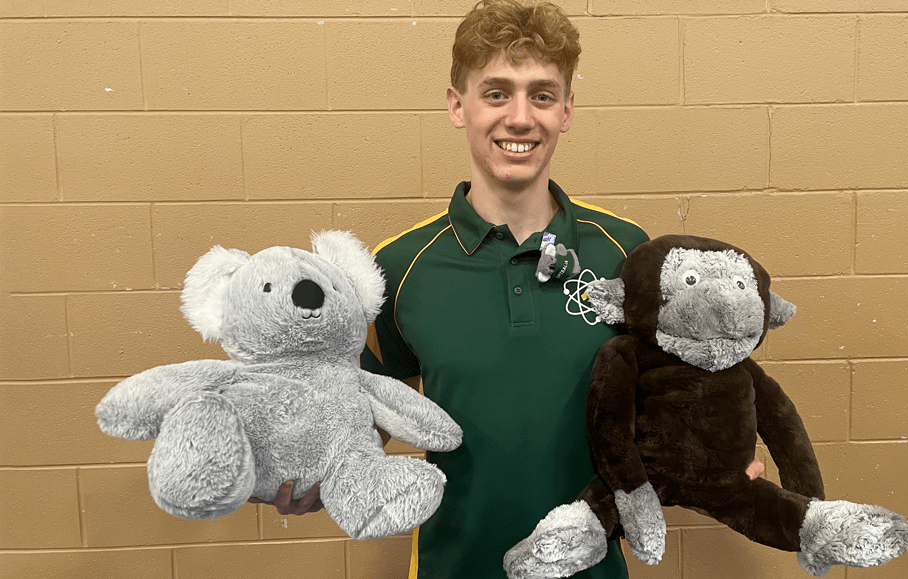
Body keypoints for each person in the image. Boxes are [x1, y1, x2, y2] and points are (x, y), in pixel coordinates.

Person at [255, 1, 763, 577]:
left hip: (591, 567)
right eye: (496, 93)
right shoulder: (397, 267)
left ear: (567, 110)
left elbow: (676, 385)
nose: (520, 117)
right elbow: (370, 408)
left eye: (542, 95)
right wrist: (317, 467)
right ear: (457, 105)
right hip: (455, 563)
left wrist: (723, 443)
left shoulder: (627, 253)